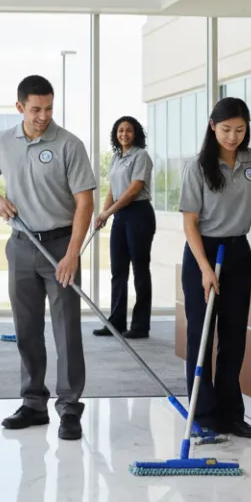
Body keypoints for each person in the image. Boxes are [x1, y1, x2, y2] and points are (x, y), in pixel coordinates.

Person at [0, 75, 96, 442]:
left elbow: (85, 202)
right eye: (35, 109)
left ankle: (70, 407)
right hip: (21, 246)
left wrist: (73, 254)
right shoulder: (2, 141)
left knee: (66, 332)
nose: (43, 115)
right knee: (26, 330)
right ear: (19, 108)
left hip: (61, 246)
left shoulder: (69, 145)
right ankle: (33, 403)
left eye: (48, 108)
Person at [179, 96, 251, 439]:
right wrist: (205, 269)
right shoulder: (198, 166)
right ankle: (204, 414)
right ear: (212, 127)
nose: (232, 137)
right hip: (204, 251)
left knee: (233, 337)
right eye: (226, 129)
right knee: (202, 335)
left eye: (239, 130)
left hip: (238, 253)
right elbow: (189, 223)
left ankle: (231, 414)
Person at [93, 116, 156, 340]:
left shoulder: (141, 156)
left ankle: (140, 326)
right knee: (118, 270)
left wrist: (109, 212)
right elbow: (113, 189)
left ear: (136, 133)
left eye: (129, 130)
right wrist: (104, 213)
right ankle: (116, 322)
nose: (124, 134)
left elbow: (133, 190)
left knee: (139, 269)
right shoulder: (116, 158)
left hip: (139, 213)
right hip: (120, 215)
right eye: (120, 130)